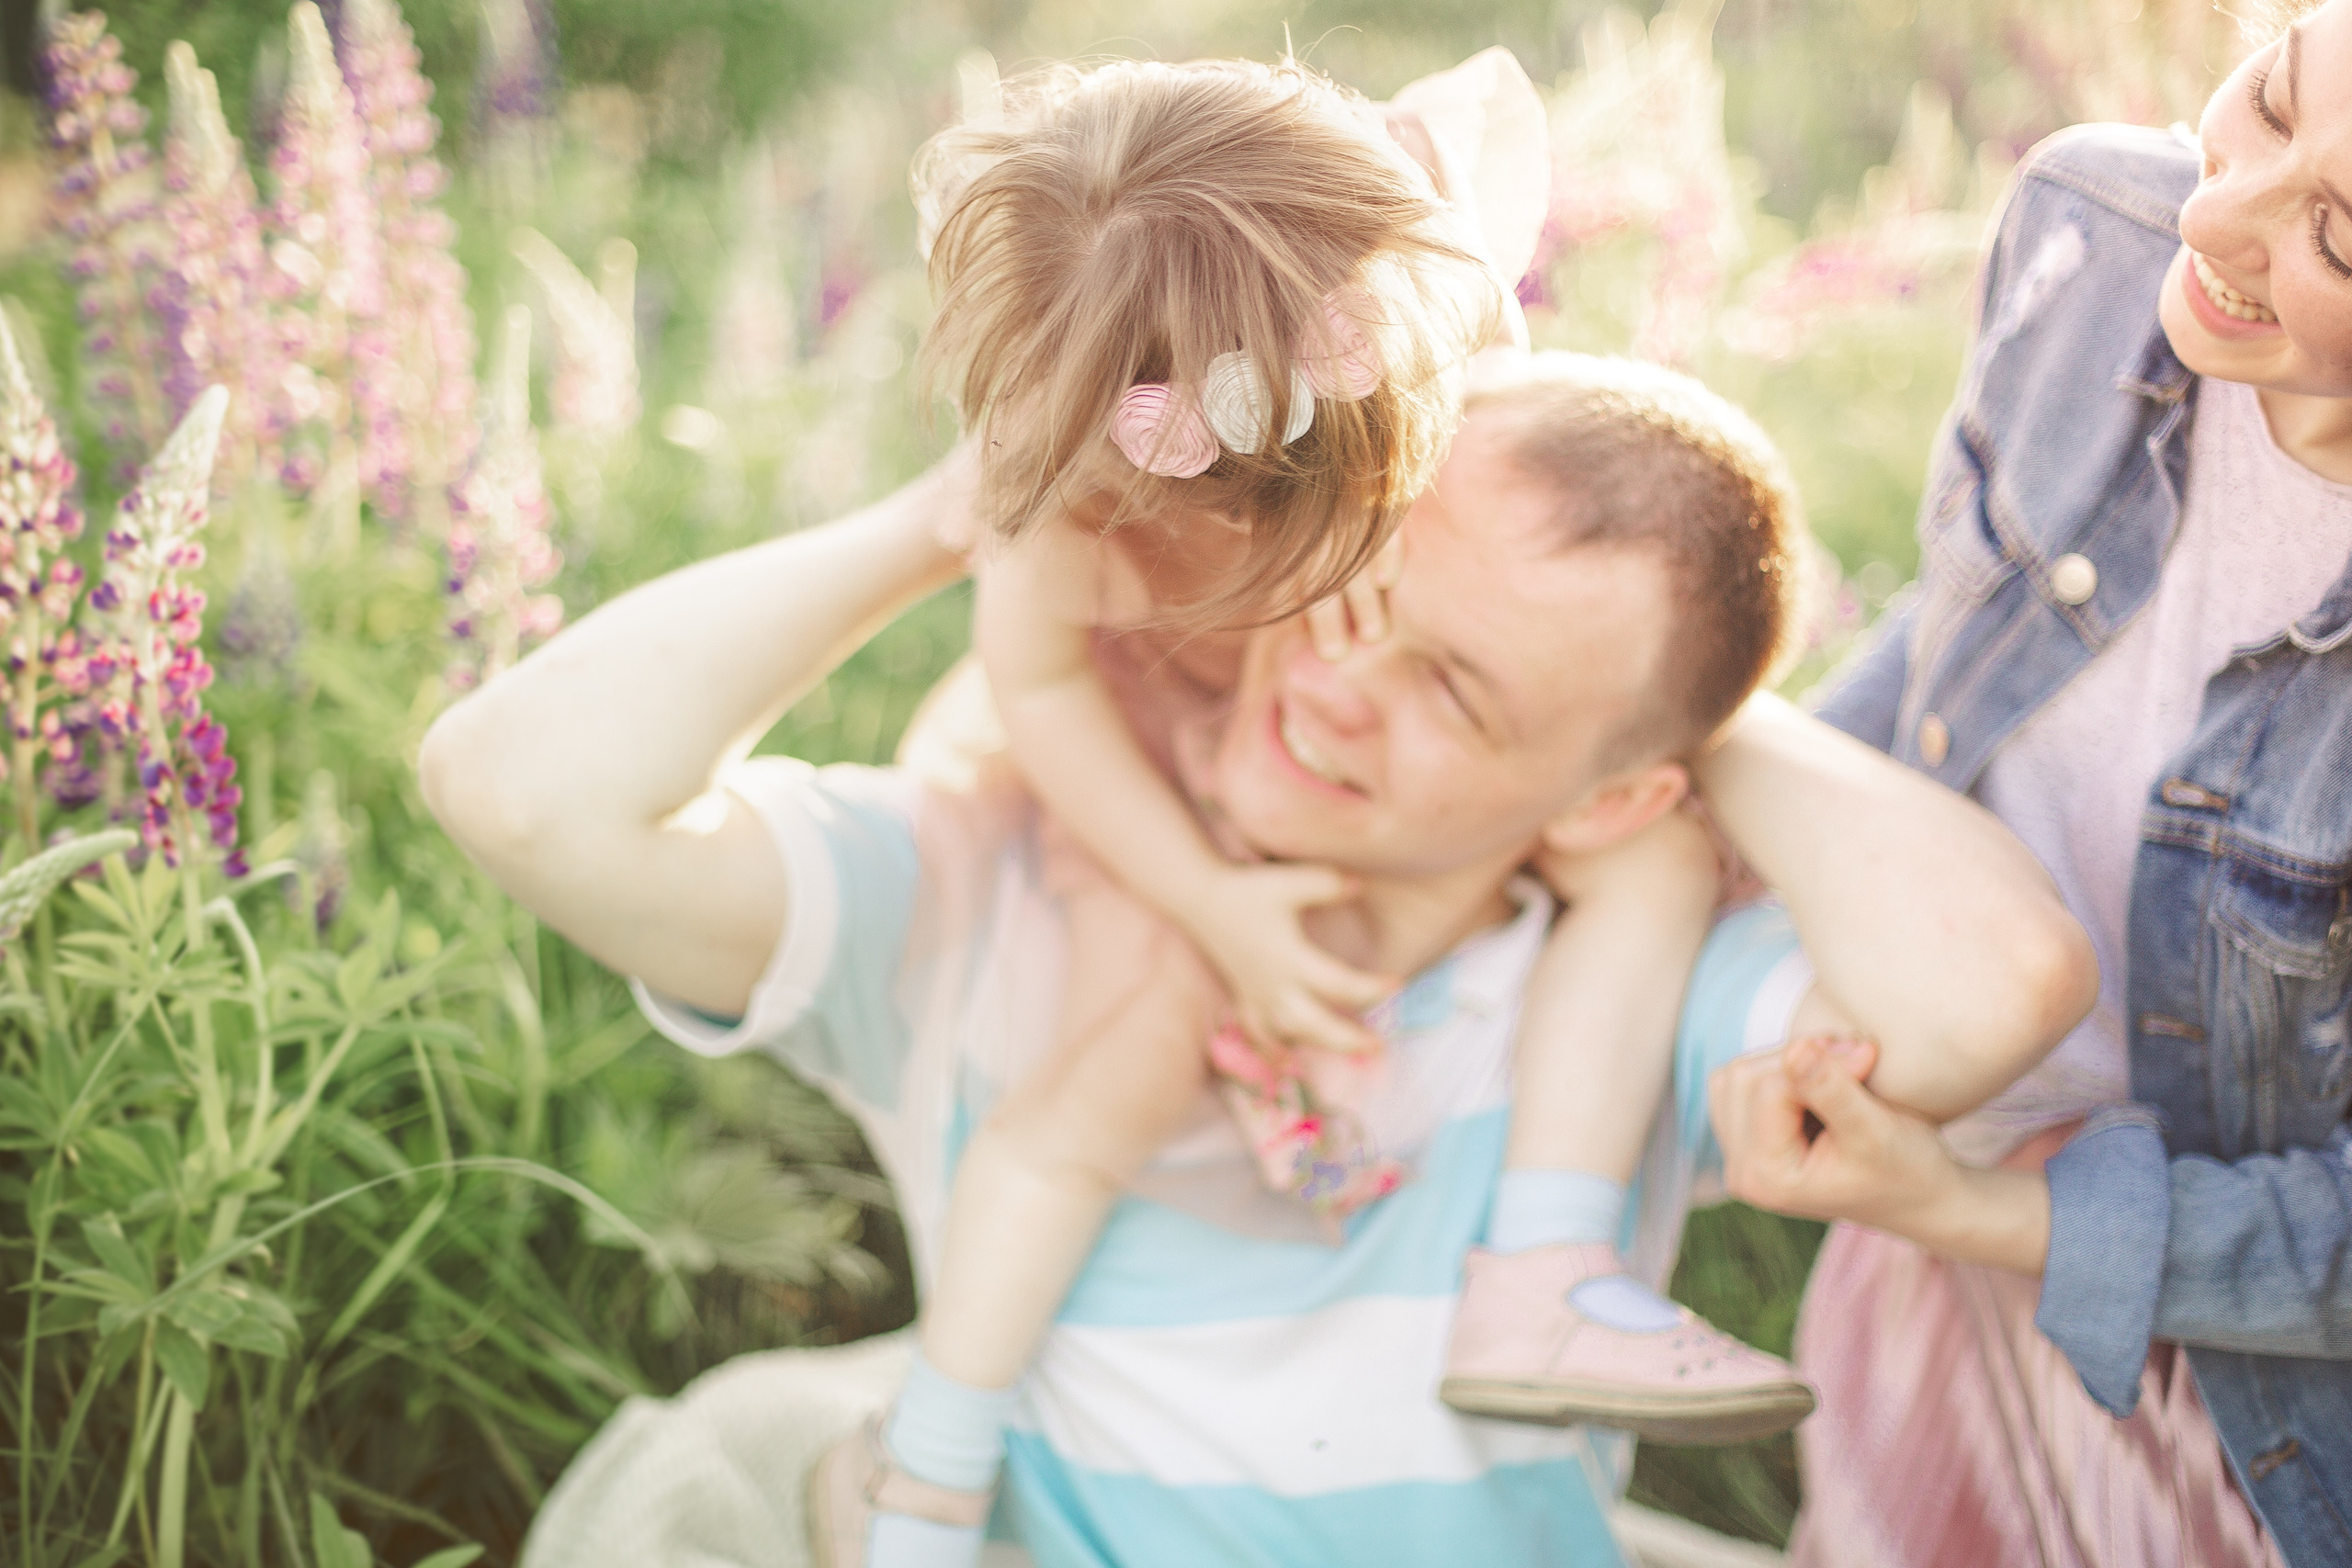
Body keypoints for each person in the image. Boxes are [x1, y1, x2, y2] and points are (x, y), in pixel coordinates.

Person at [421, 349, 2096, 1568]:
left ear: (1616, 802)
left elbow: (1995, 993)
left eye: (1454, 691)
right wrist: (972, 508)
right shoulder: (1010, 876)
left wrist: (1693, 718)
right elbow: (514, 790)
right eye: (1357, 580)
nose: (1338, 684)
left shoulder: (1614, 978)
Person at [890, 51, 1800, 1568]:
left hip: (1319, 762)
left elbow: (1501, 419)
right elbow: (1042, 698)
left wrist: (1421, 543)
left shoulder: (1403, 299)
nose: (1257, 568)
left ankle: (1548, 1258)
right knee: (1104, 1084)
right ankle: (926, 1474)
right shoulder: (1065, 526)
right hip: (1137, 782)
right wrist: (1208, 900)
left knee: (1659, 858)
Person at [1709, 3, 2352, 1562]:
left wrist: (1972, 1206)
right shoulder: (2096, 233)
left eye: (2340, 232)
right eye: (2270, 100)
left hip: (2242, 1421)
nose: (2214, 216)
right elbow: (1977, 629)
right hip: (1935, 1251)